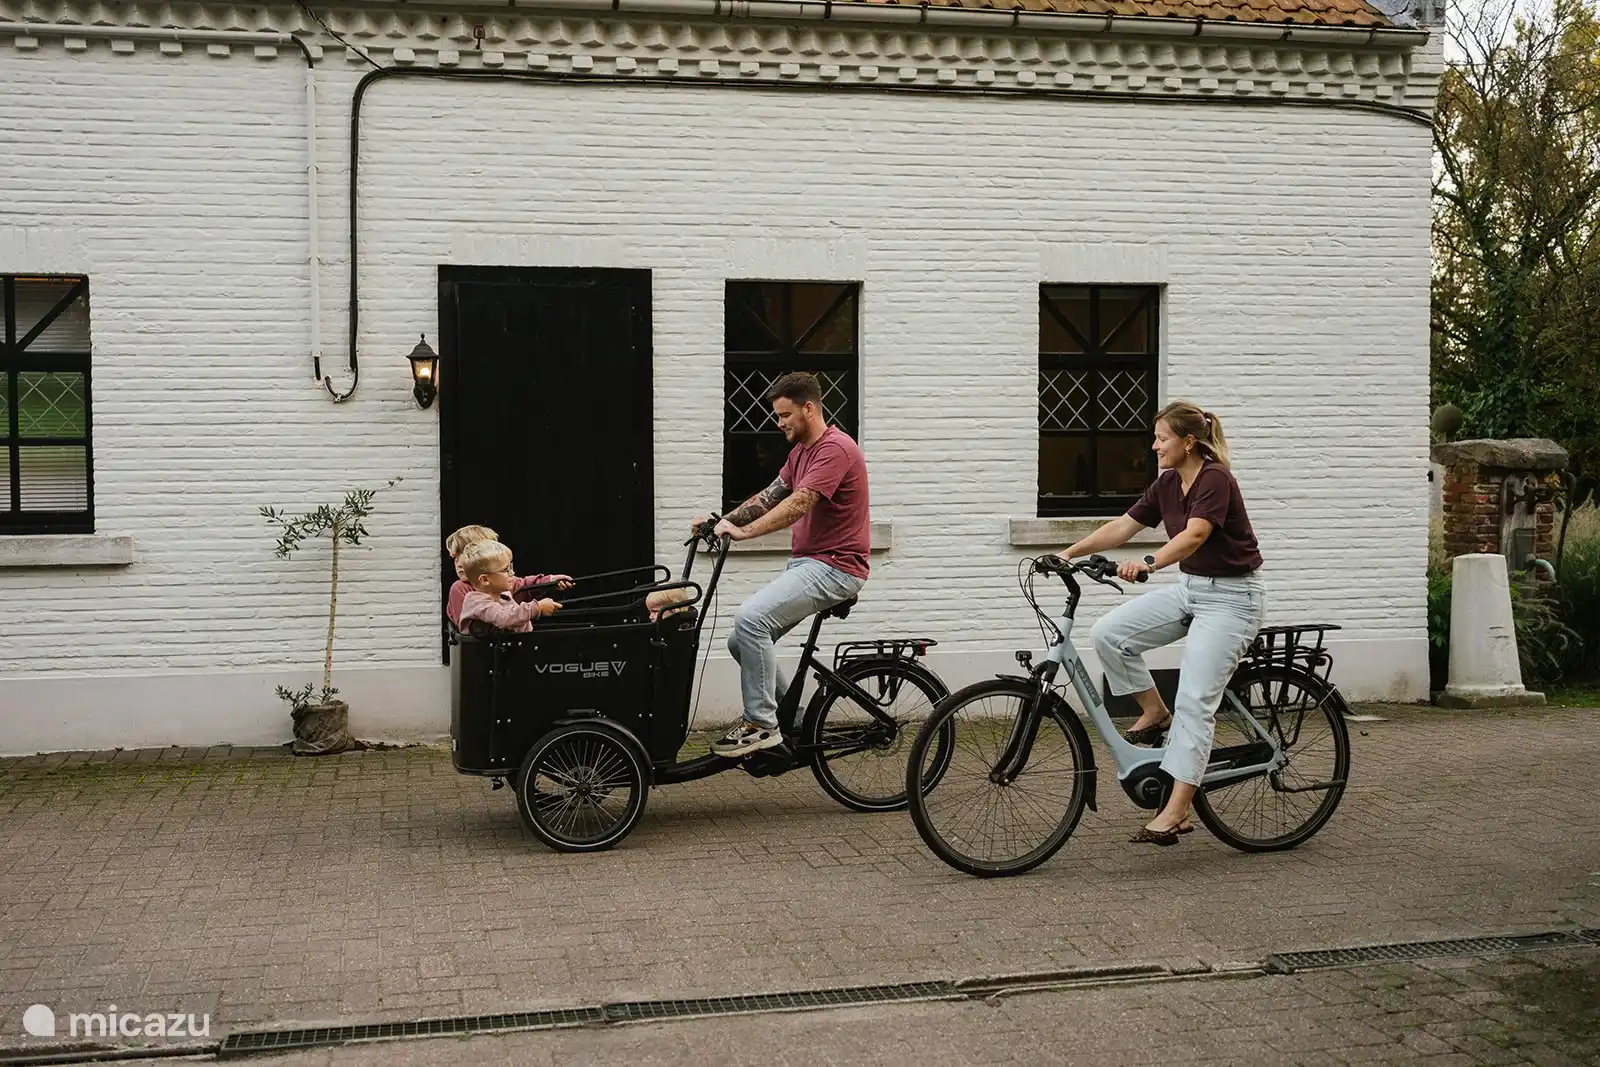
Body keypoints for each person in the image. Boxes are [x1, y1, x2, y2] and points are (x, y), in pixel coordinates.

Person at [1054, 401, 1266, 846]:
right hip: (1192, 589)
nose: (1154, 446)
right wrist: (1067, 554)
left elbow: (1194, 535)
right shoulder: (1169, 481)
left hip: (1232, 599)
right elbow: (1123, 526)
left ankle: (1178, 810)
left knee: (1195, 698)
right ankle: (1154, 711)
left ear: (1189, 442)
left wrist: (1149, 563)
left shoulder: (1215, 479)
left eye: (1162, 438)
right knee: (1109, 635)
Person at [691, 371, 870, 757]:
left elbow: (799, 503)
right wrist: (721, 522)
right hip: (810, 565)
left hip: (836, 566)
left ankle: (762, 723)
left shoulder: (835, 449)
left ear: (809, 408)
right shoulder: (800, 453)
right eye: (777, 416)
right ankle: (795, 718)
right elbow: (771, 495)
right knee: (741, 640)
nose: (779, 423)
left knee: (751, 618)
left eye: (785, 414)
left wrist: (745, 533)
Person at [443, 524, 571, 629]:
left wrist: (551, 581)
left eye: (466, 555)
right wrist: (537, 608)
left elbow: (524, 584)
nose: (459, 563)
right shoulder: (462, 590)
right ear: (484, 579)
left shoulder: (501, 583)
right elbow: (471, 628)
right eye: (456, 558)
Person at [455, 540, 563, 634]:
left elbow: (518, 623)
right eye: (505, 570)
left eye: (511, 567)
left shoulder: (504, 595)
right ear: (485, 580)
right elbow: (504, 618)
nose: (512, 573)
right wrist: (537, 608)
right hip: (485, 656)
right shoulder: (476, 602)